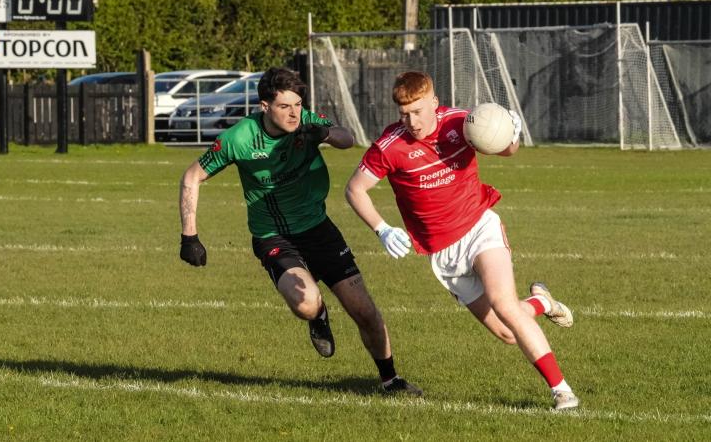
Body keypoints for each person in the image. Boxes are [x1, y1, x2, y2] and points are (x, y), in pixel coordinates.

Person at [178, 67, 421, 396]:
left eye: (297, 104)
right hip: (273, 236)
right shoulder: (239, 138)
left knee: (364, 310)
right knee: (306, 303)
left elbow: (347, 138)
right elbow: (192, 176)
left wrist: (323, 134)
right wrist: (189, 236)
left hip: (319, 229)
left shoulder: (306, 120)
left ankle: (391, 380)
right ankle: (318, 315)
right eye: (284, 107)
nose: (294, 113)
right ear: (264, 107)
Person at [344, 71, 579, 410]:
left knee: (503, 302)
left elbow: (507, 149)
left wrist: (510, 130)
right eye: (404, 113)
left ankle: (562, 391)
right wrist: (382, 229)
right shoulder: (390, 146)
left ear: (435, 103)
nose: (412, 121)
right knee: (508, 332)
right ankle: (541, 303)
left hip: (479, 226)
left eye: (419, 111)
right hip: (442, 254)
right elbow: (355, 189)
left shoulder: (463, 123)